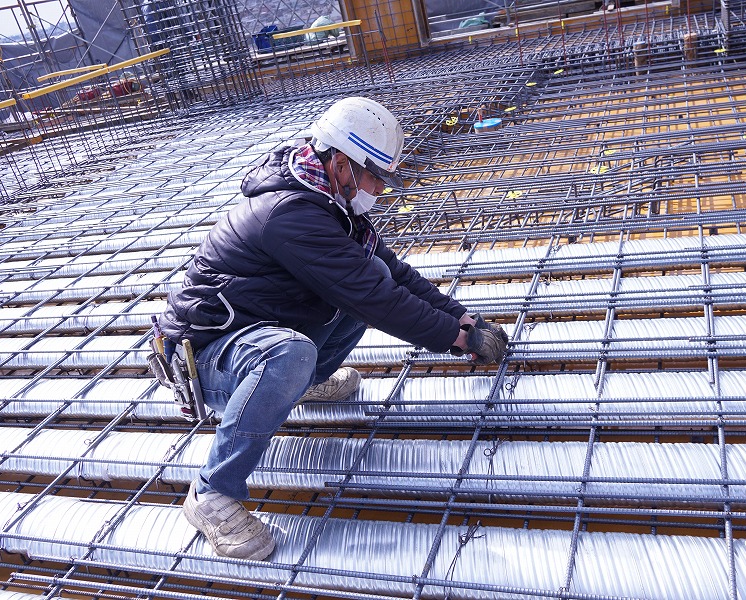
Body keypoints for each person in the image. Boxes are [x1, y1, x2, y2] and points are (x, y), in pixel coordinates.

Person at [157, 96, 508, 561]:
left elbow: (391, 275)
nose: (380, 191)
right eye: (375, 177)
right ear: (342, 164)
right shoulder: (291, 215)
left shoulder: (329, 201)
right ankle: (211, 492)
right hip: (207, 361)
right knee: (294, 350)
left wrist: (462, 318)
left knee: (366, 284)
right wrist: (458, 341)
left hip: (252, 334)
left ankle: (296, 385)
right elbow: (376, 300)